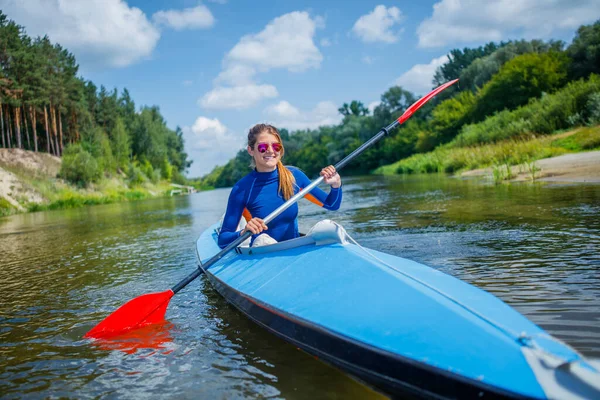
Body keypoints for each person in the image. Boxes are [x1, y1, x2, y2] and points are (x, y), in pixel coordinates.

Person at [218, 123, 342, 249]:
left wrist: (336, 185)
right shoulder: (242, 189)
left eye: (276, 146)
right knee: (263, 240)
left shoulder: (295, 176)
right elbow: (223, 240)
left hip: (294, 248)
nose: (271, 151)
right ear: (251, 150)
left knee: (328, 227)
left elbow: (332, 205)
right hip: (263, 252)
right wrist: (244, 232)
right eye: (262, 147)